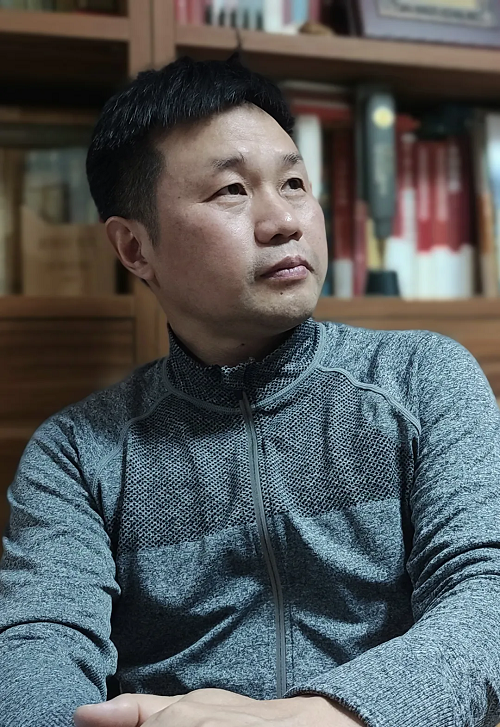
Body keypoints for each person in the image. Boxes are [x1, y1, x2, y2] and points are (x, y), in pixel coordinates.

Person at [1, 54, 500, 727]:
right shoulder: (77, 454)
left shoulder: (421, 379)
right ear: (135, 248)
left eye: (294, 183)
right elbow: (37, 655)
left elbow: (486, 599)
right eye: (232, 190)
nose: (284, 220)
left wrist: (316, 718)